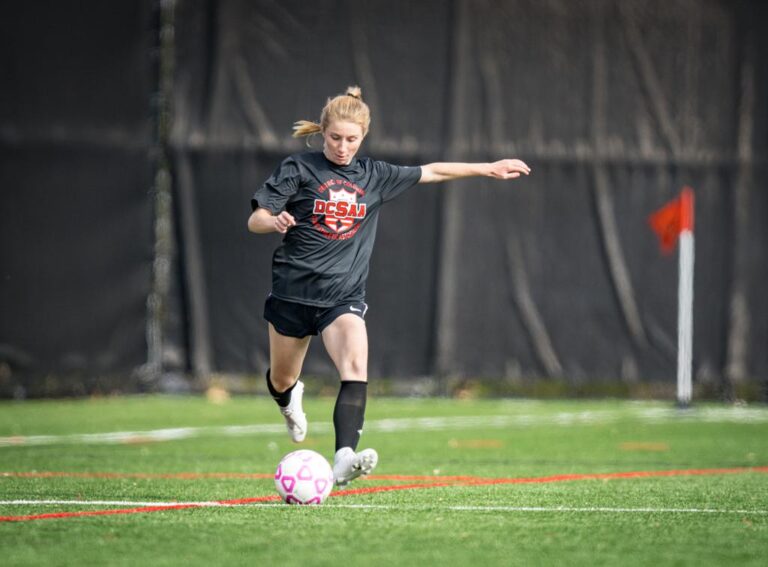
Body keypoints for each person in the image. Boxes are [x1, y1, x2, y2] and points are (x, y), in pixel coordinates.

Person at [248, 86, 530, 486]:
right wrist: (273, 221)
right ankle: (289, 399)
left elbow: (431, 171)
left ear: (363, 136)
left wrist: (487, 167)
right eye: (334, 138)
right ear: (321, 132)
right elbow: (256, 218)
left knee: (356, 365)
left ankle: (344, 456)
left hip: (341, 299)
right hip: (292, 294)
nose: (342, 147)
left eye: (351, 139)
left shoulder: (374, 176)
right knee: (280, 379)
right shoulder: (299, 168)